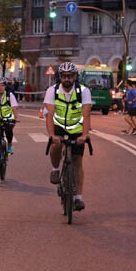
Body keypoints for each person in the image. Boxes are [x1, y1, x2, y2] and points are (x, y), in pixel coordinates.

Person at [44, 62, 92, 211]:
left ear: (75, 77)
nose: (67, 79)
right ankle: (55, 169)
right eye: (64, 76)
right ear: (60, 77)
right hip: (59, 125)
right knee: (55, 145)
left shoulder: (83, 91)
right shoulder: (52, 91)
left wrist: (84, 135)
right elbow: (50, 114)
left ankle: (78, 198)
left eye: (70, 76)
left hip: (76, 128)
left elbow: (86, 113)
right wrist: (52, 135)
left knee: (77, 162)